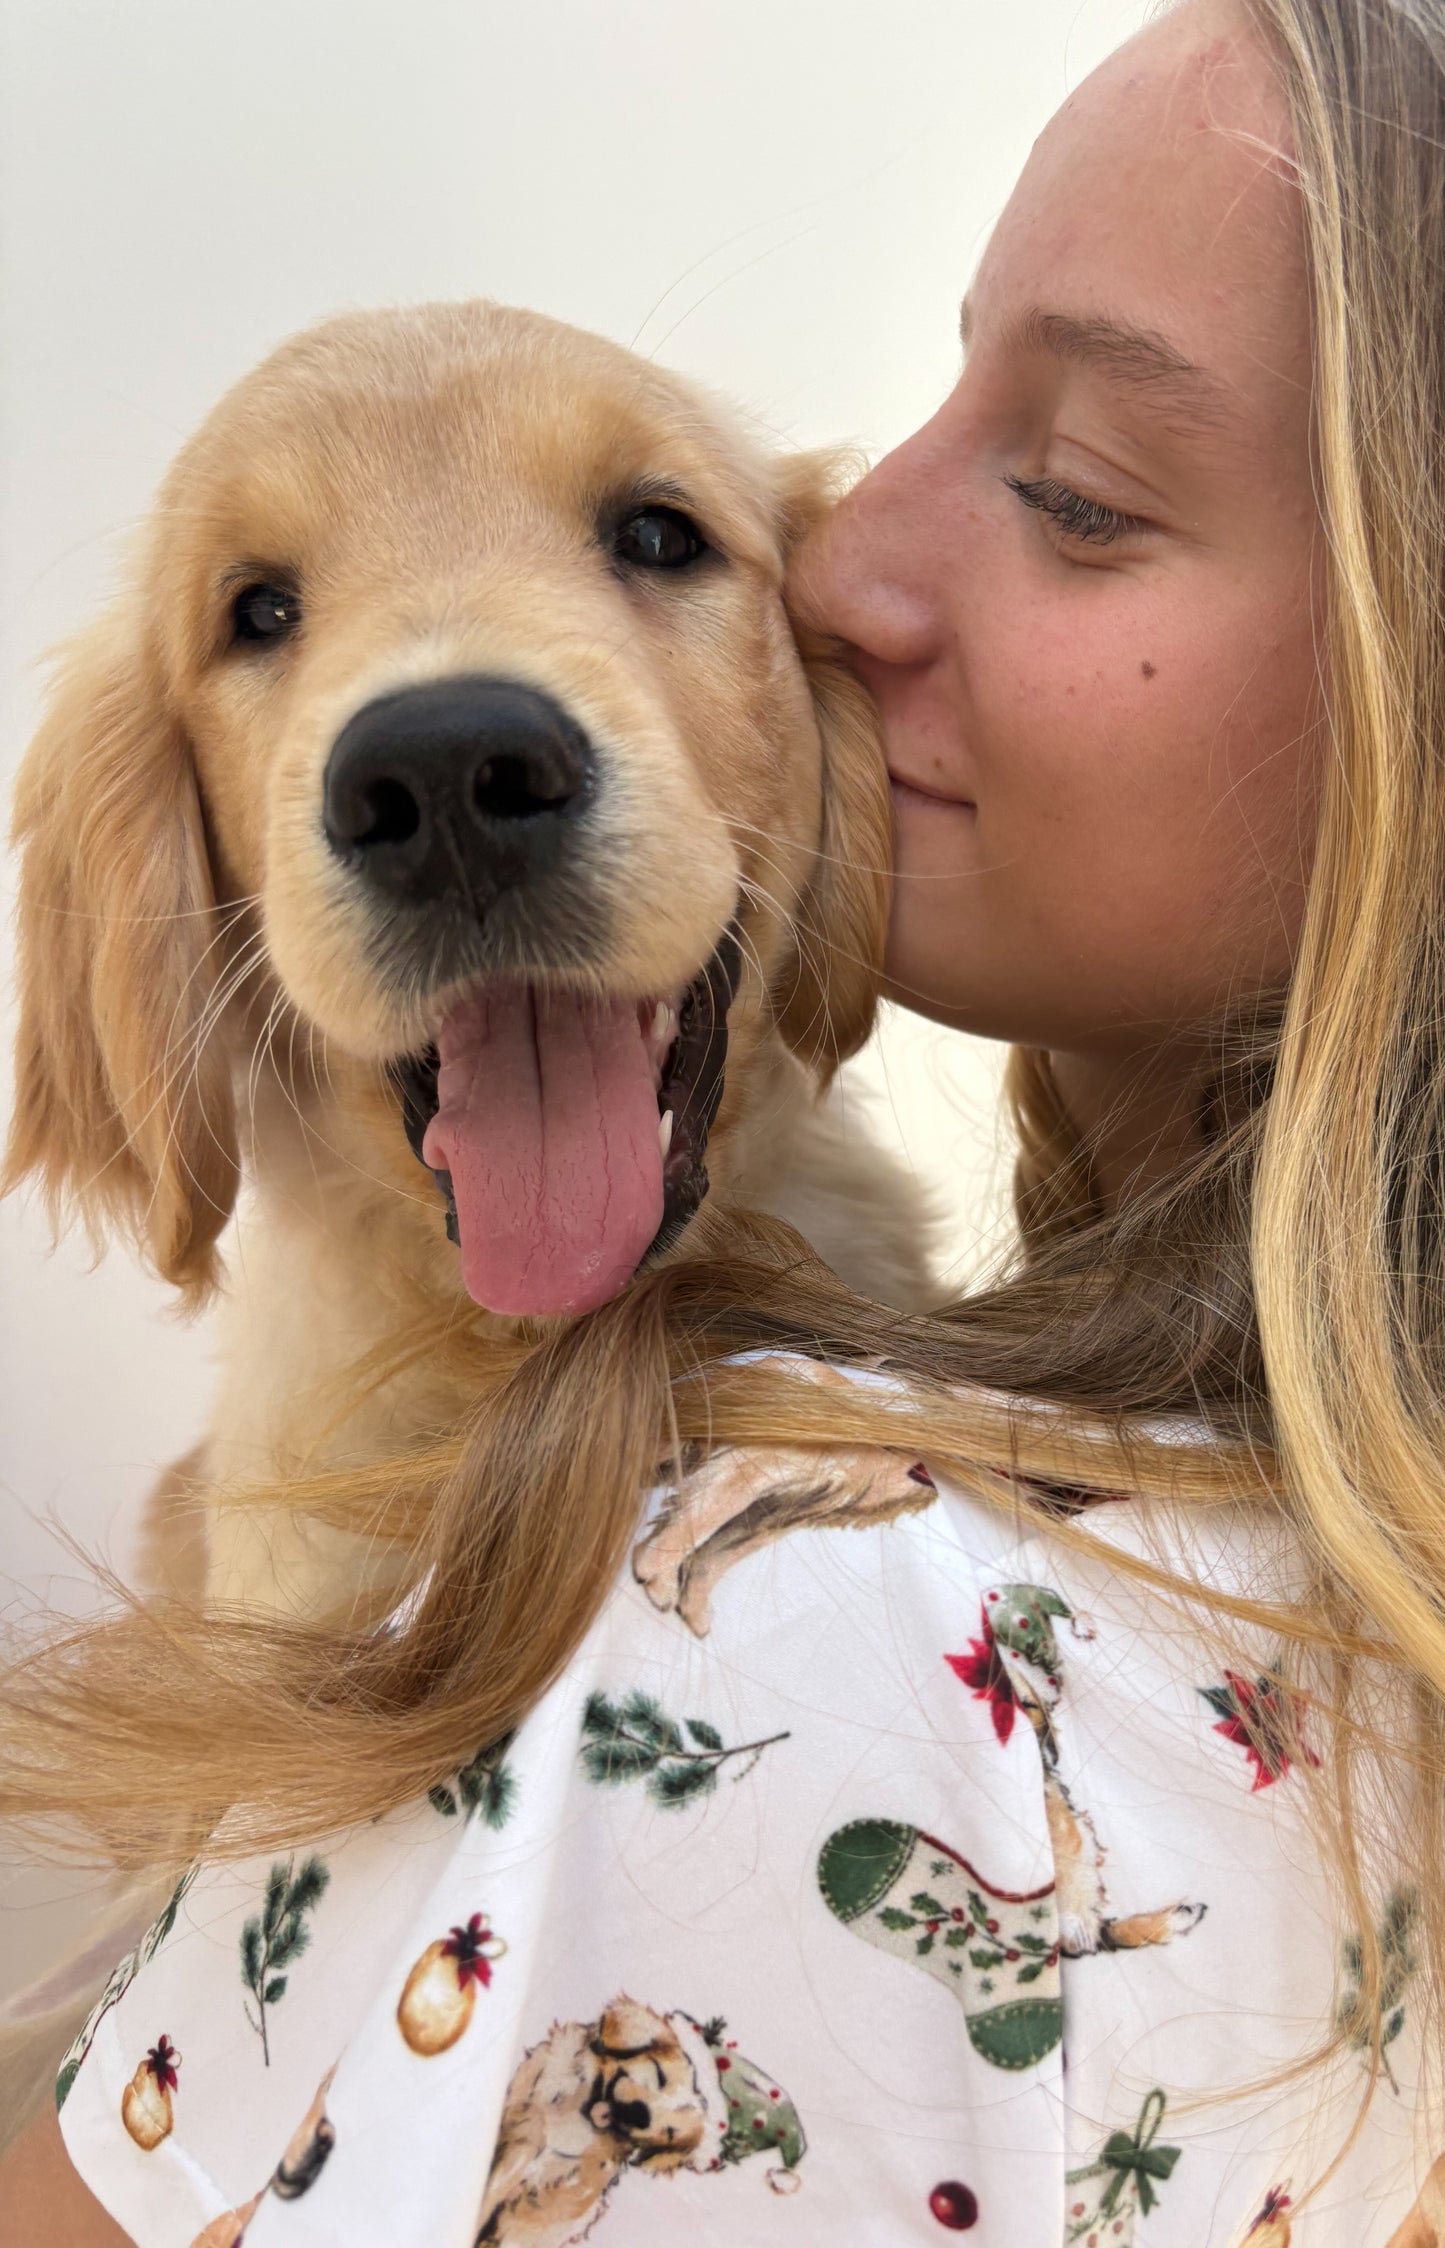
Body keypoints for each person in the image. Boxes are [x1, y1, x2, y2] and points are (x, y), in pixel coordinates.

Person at [5, 0, 1444, 2238]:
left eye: (660, 537)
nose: (856, 569)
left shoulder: (778, 1625)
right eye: (267, 611)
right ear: (164, 854)